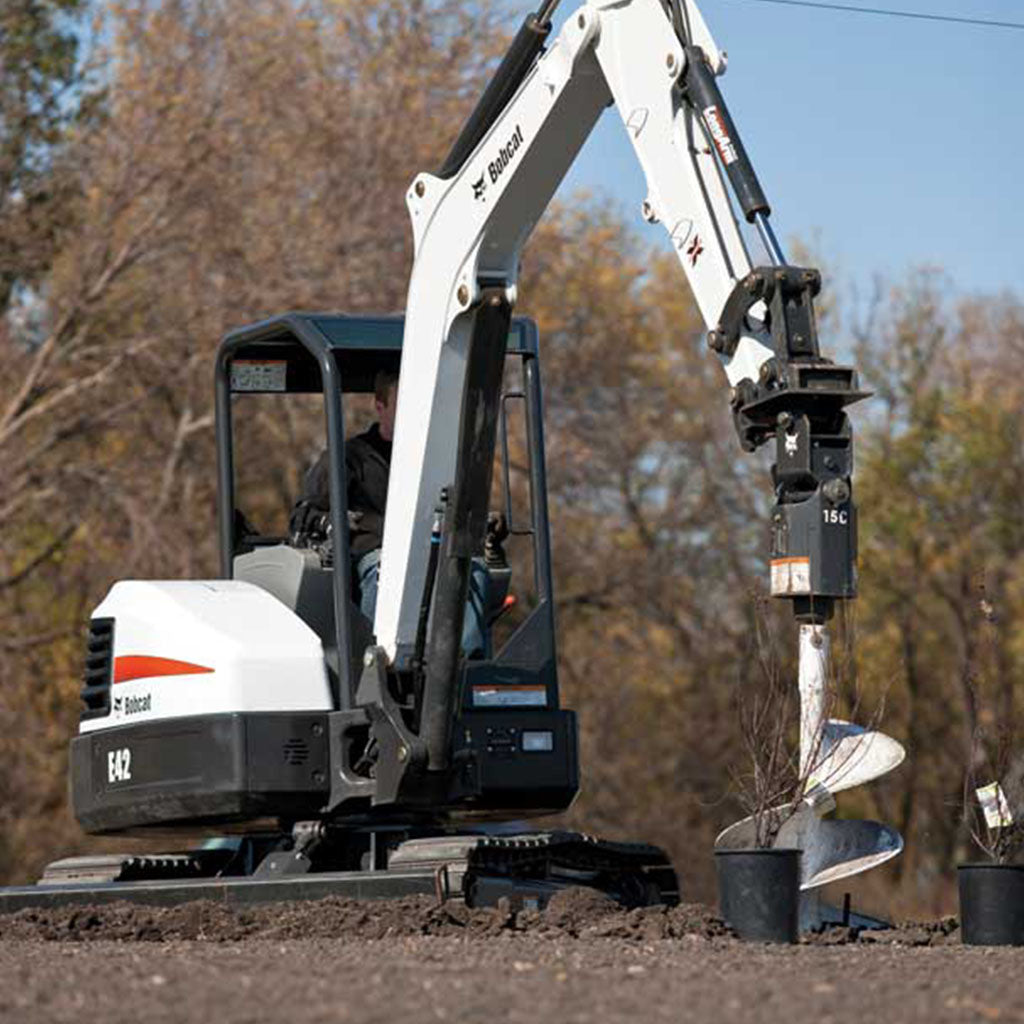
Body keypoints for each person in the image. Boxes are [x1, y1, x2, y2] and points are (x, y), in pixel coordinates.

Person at [289, 369, 490, 657]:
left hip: (434, 552)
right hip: (375, 559)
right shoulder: (350, 458)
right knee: (390, 569)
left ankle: (467, 671)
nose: (413, 411)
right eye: (403, 402)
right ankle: (385, 665)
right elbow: (302, 516)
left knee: (472, 569)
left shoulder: (438, 460)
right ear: (380, 406)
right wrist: (332, 520)